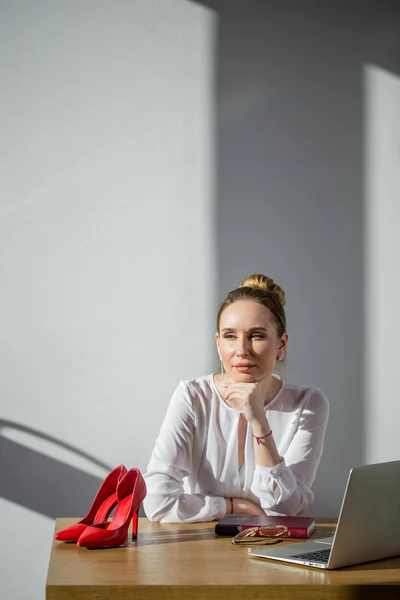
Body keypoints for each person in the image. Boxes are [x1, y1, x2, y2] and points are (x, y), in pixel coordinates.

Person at [143, 274, 329, 523]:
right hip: (199, 550)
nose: (241, 350)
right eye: (230, 336)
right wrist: (232, 507)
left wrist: (259, 422)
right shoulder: (193, 396)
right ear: (219, 344)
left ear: (281, 344)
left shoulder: (308, 404)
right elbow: (157, 502)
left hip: (272, 548)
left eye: (257, 335)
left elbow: (285, 509)